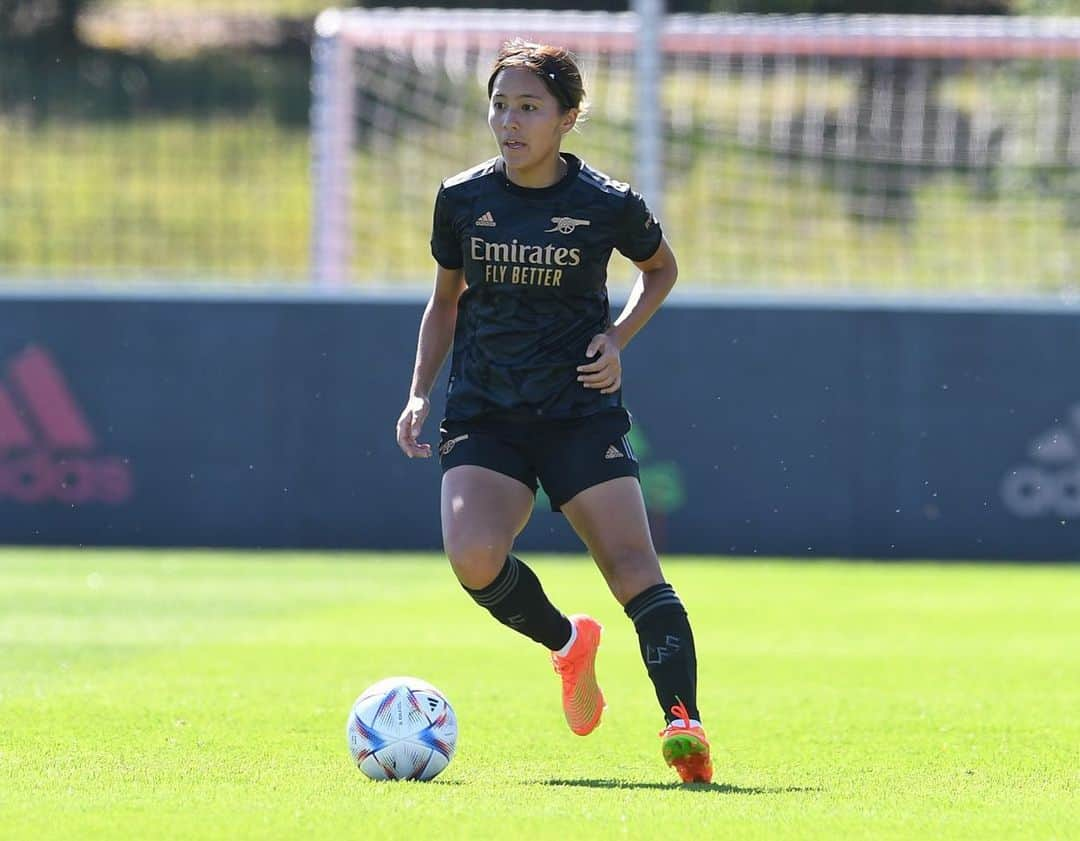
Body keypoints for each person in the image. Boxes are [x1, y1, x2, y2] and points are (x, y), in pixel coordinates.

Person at [395, 39, 710, 784]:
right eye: (500, 105)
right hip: (487, 410)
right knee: (473, 557)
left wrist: (617, 336)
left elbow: (660, 269)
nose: (510, 121)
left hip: (578, 411)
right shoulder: (463, 198)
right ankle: (568, 645)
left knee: (633, 568)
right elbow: (445, 302)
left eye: (530, 106)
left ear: (568, 117)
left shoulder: (607, 204)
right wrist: (417, 390)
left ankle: (683, 723)